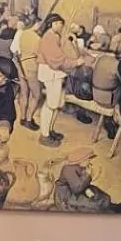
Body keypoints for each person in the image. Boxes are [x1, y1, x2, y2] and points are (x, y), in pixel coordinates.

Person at [37, 12, 77, 147]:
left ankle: (50, 129)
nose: (61, 26)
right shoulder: (49, 37)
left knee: (57, 104)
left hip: (55, 72)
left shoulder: (55, 36)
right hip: (50, 72)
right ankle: (44, 135)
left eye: (61, 23)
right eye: (59, 23)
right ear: (52, 24)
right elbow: (56, 59)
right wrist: (75, 63)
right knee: (50, 104)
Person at [54, 159, 121, 213]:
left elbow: (82, 183)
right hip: (67, 197)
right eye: (88, 159)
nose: (89, 161)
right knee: (92, 204)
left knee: (97, 192)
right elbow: (77, 188)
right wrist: (88, 175)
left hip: (76, 190)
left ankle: (111, 207)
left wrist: (93, 175)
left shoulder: (78, 166)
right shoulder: (69, 169)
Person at [14, 12, 43, 128]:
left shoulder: (23, 34)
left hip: (21, 64)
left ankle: (22, 118)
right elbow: (39, 54)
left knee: (24, 93)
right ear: (37, 24)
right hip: (31, 65)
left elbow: (17, 50)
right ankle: (29, 120)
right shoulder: (36, 37)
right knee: (36, 94)